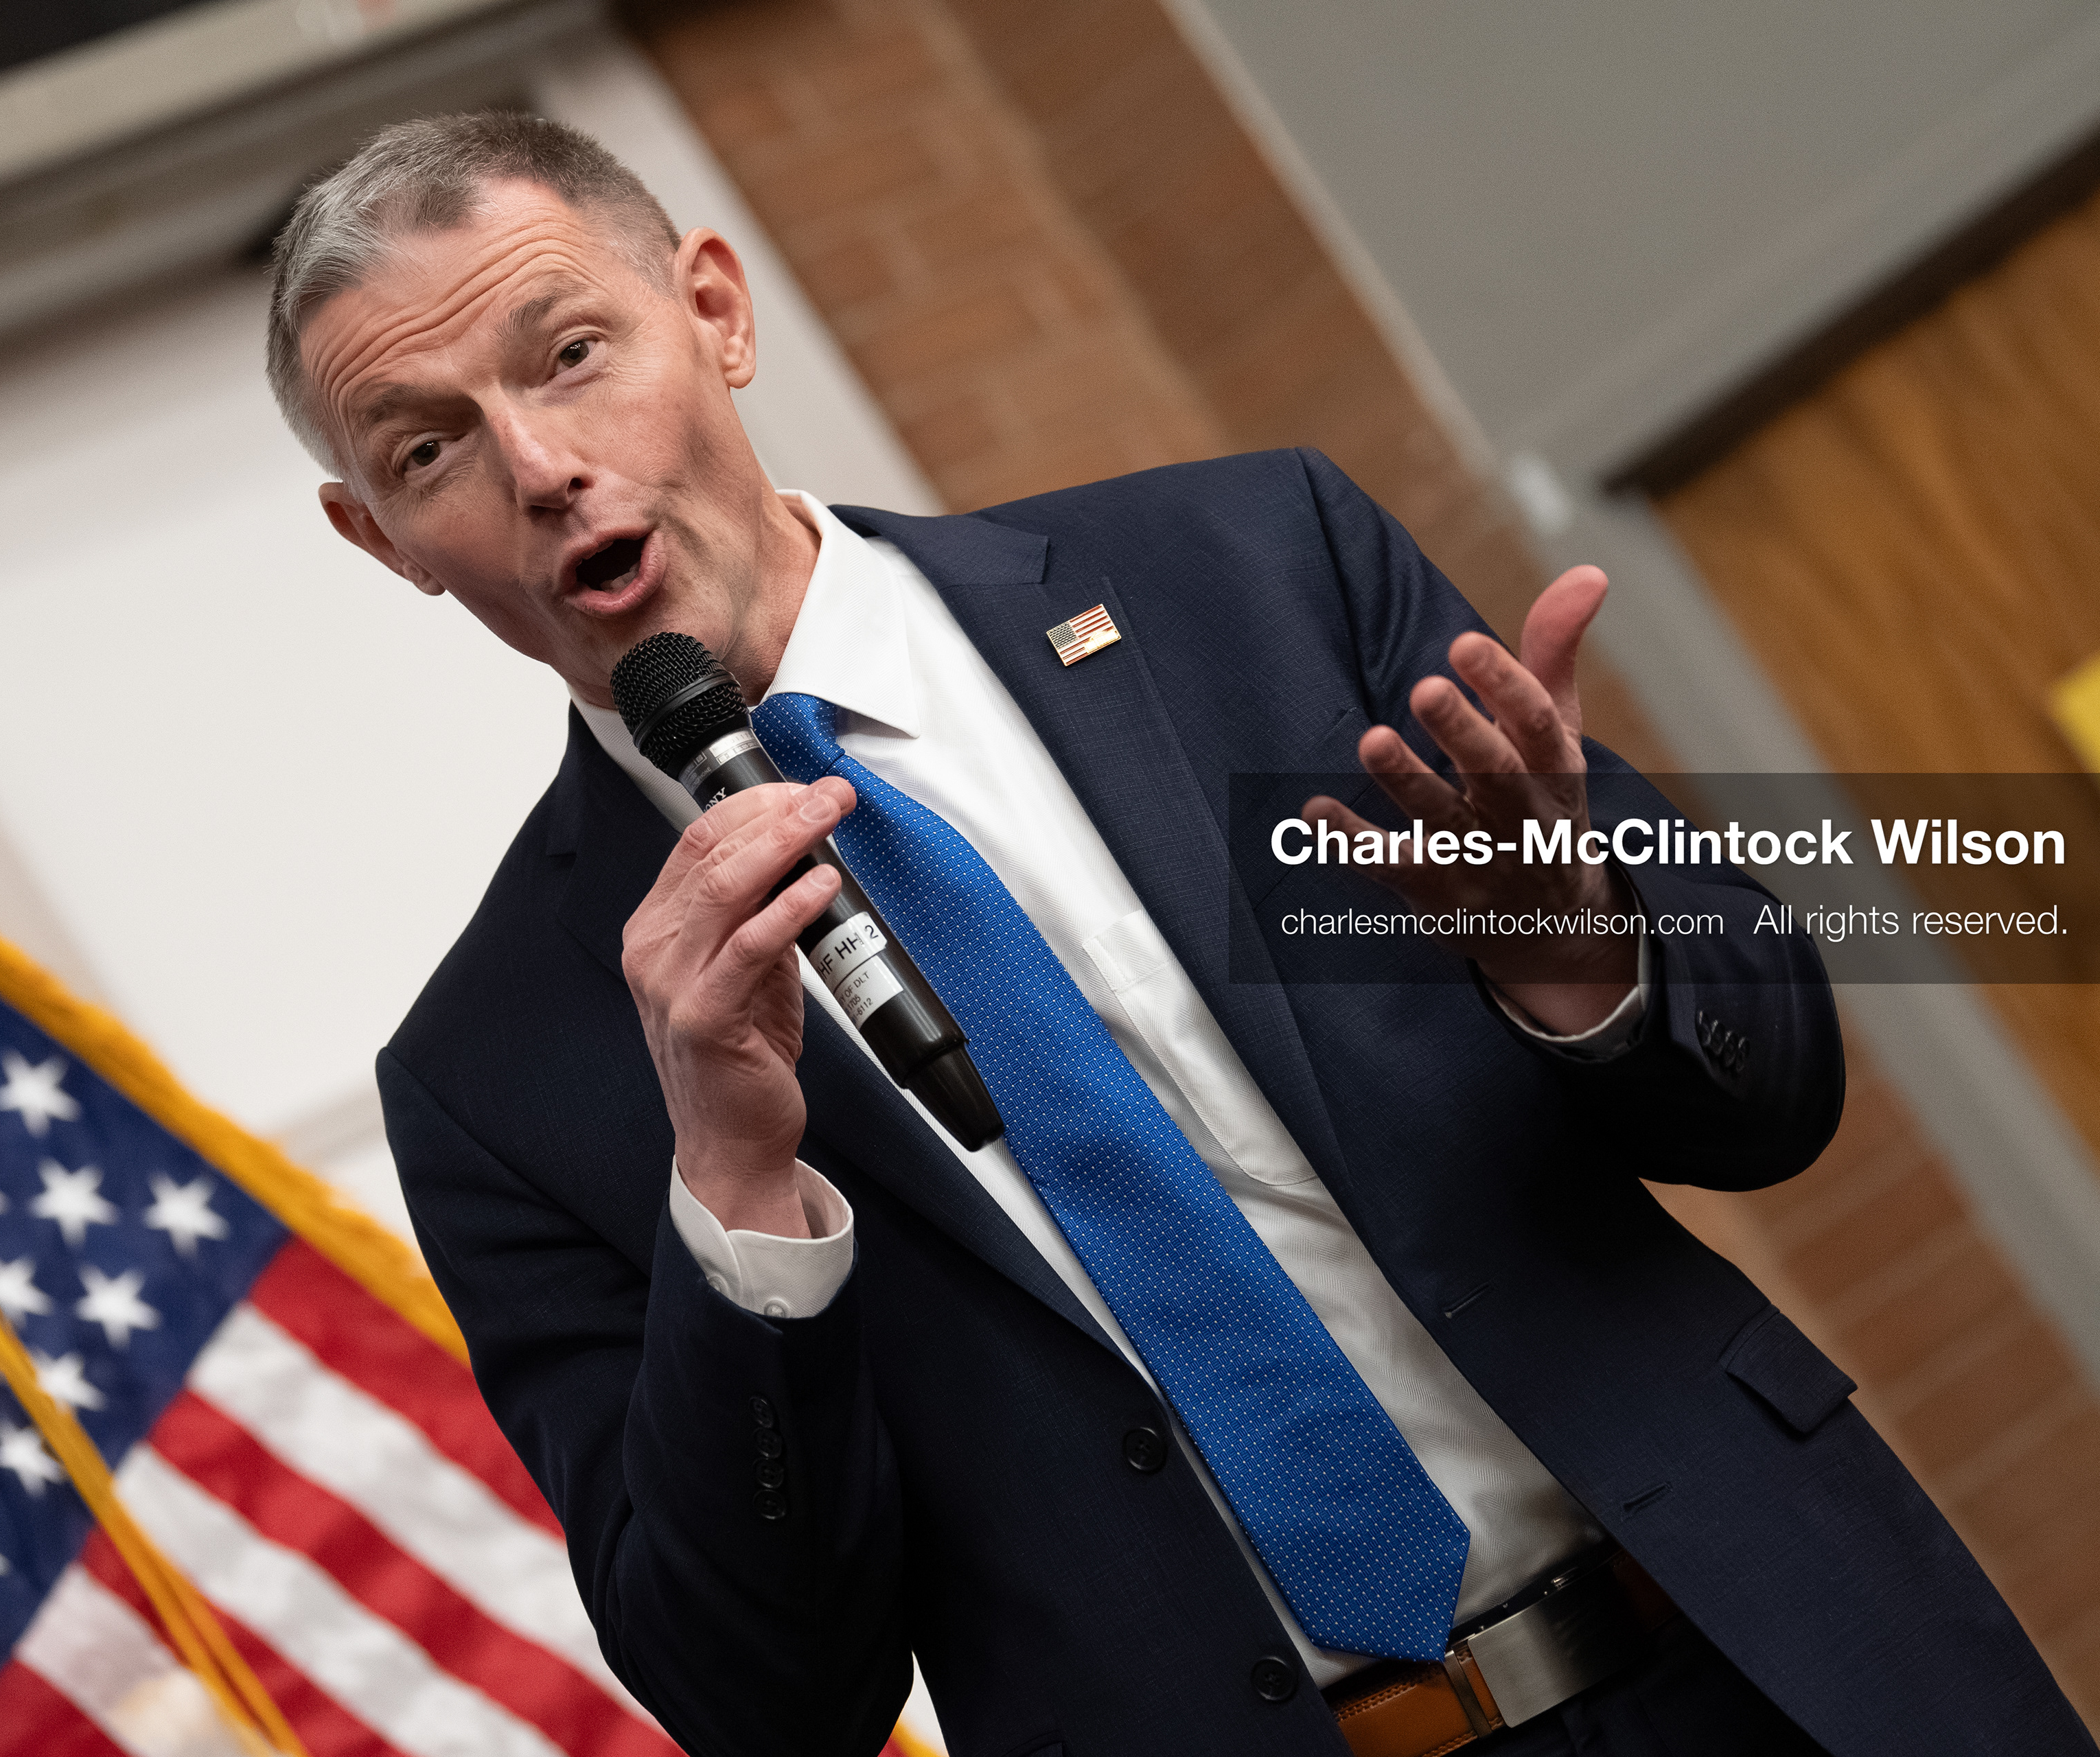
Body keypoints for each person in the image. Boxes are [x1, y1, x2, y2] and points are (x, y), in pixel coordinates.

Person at [264, 112, 2090, 1757]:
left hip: (1773, 1660)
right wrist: (738, 1195)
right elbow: (764, 1695)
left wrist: (1558, 939)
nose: (539, 466)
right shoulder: (505, 1068)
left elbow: (1773, 1095)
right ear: (383, 541)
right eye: (430, 452)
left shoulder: (1246, 579)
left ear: (717, 313)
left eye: (571, 356)